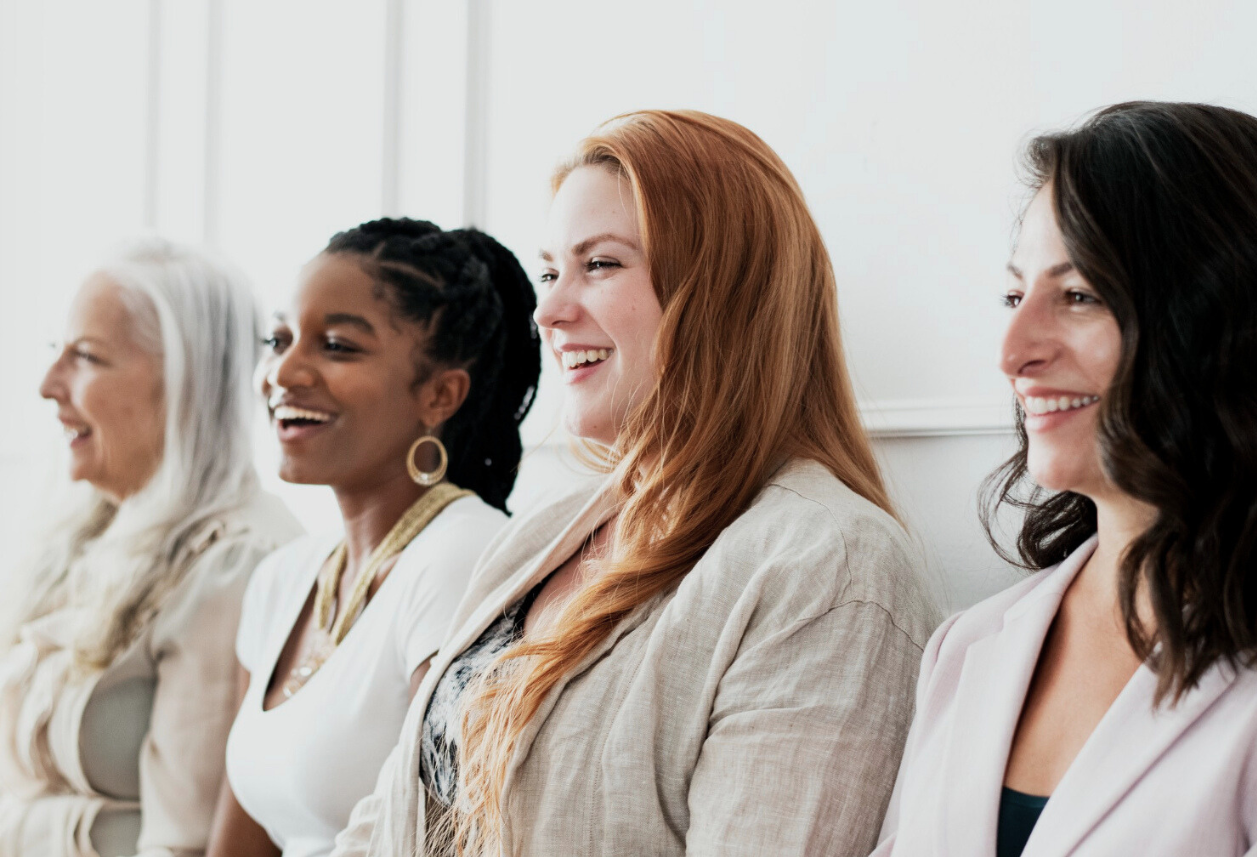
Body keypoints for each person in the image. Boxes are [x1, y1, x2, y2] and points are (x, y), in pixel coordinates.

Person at [330, 110, 938, 857]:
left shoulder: (828, 564)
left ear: (721, 292)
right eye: (550, 271)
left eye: (601, 265)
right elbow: (398, 814)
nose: (549, 310)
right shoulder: (539, 536)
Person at [873, 101, 1257, 857]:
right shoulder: (965, 647)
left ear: (1210, 319)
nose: (1012, 351)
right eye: (1013, 296)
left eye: (1077, 294)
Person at [207, 219, 540, 857]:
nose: (284, 371)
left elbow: (452, 836)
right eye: (278, 339)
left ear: (441, 394)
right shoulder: (281, 579)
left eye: (336, 346)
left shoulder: (463, 561)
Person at [0, 241, 301, 857]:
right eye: (55, 351)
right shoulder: (84, 531)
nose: (47, 386)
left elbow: (184, 844)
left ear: (187, 382)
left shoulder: (233, 564)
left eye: (86, 357)